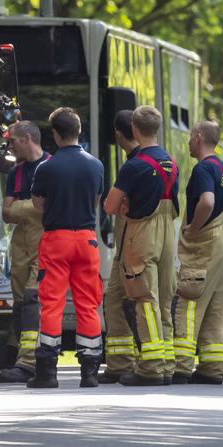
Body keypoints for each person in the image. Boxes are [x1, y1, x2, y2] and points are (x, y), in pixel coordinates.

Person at [28, 107, 104, 388]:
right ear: (79, 131)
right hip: (86, 239)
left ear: (56, 135)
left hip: (56, 239)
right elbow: (95, 199)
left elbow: (38, 204)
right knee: (88, 304)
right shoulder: (96, 165)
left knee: (52, 304)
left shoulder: (46, 167)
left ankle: (47, 372)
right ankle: (90, 372)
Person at [103, 106, 179, 386]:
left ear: (134, 129)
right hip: (167, 234)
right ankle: (167, 364)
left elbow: (110, 205)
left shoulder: (134, 166)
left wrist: (122, 204)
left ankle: (150, 367)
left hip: (142, 235)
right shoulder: (171, 162)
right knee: (162, 299)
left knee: (144, 300)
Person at [174, 121, 223, 385]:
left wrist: (195, 228)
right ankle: (213, 368)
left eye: (191, 136)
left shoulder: (203, 168)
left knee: (190, 301)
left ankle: (181, 365)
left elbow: (207, 201)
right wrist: (219, 226)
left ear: (200, 137)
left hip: (205, 246)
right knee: (216, 308)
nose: (189, 141)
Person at [0, 121, 51, 384]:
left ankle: (29, 362)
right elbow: (6, 213)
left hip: (44, 243)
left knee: (32, 299)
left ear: (27, 138)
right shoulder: (16, 173)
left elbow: (49, 208)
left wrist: (22, 207)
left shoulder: (50, 167)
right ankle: (20, 357)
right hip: (20, 246)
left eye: (13, 141)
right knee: (20, 304)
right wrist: (33, 207)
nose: (9, 147)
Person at [98, 110, 140, 384]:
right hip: (139, 240)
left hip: (131, 241)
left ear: (118, 134)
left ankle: (122, 362)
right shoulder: (161, 161)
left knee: (117, 298)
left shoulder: (132, 166)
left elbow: (111, 206)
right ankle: (130, 360)